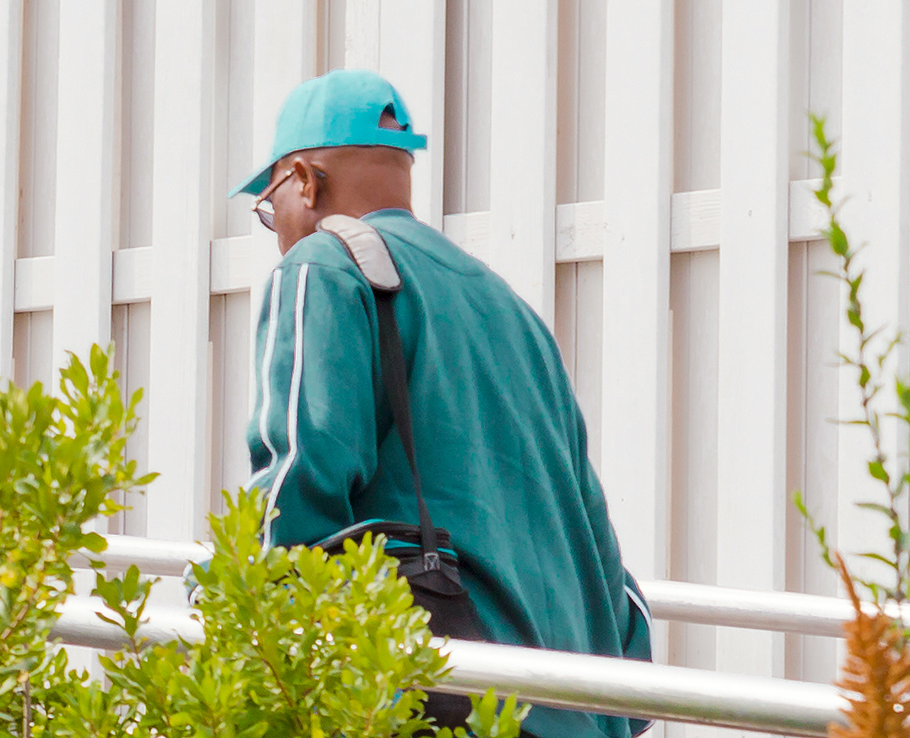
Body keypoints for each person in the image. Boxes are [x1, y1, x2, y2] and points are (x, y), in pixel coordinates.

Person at [241, 69, 649, 738]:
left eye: (269, 204)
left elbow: (296, 486)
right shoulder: (513, 312)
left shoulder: (323, 266)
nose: (276, 226)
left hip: (460, 701)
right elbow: (595, 540)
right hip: (574, 710)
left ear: (306, 182)